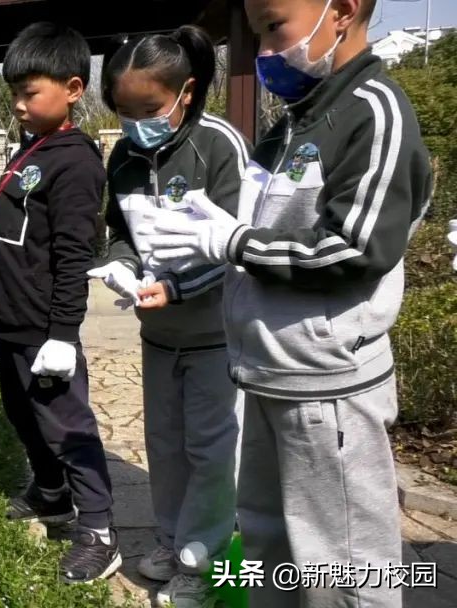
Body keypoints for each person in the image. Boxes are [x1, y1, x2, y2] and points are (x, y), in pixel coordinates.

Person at [146, 1, 432, 606]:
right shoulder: (296, 121)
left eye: (274, 26)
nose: (264, 50)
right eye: (256, 34)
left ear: (343, 11)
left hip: (327, 385)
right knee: (270, 545)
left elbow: (355, 247)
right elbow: (267, 219)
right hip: (268, 372)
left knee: (344, 566)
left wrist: (234, 241)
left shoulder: (373, 113)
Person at [89, 25, 249, 608]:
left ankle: (200, 563)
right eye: (123, 110)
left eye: (149, 108)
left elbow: (238, 247)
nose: (136, 123)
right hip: (157, 337)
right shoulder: (126, 157)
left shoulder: (219, 146)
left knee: (210, 452)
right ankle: (168, 537)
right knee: (164, 445)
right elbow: (120, 233)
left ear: (187, 91)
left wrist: (176, 289)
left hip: (215, 337)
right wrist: (121, 267)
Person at [0, 22, 118, 584]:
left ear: (73, 88)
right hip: (10, 318)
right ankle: (52, 494)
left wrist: (63, 334)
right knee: (22, 411)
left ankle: (101, 532)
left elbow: (71, 254)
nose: (17, 103)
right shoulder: (33, 149)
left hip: (43, 326)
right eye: (13, 92)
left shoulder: (75, 162)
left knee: (67, 425)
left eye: (29, 92)